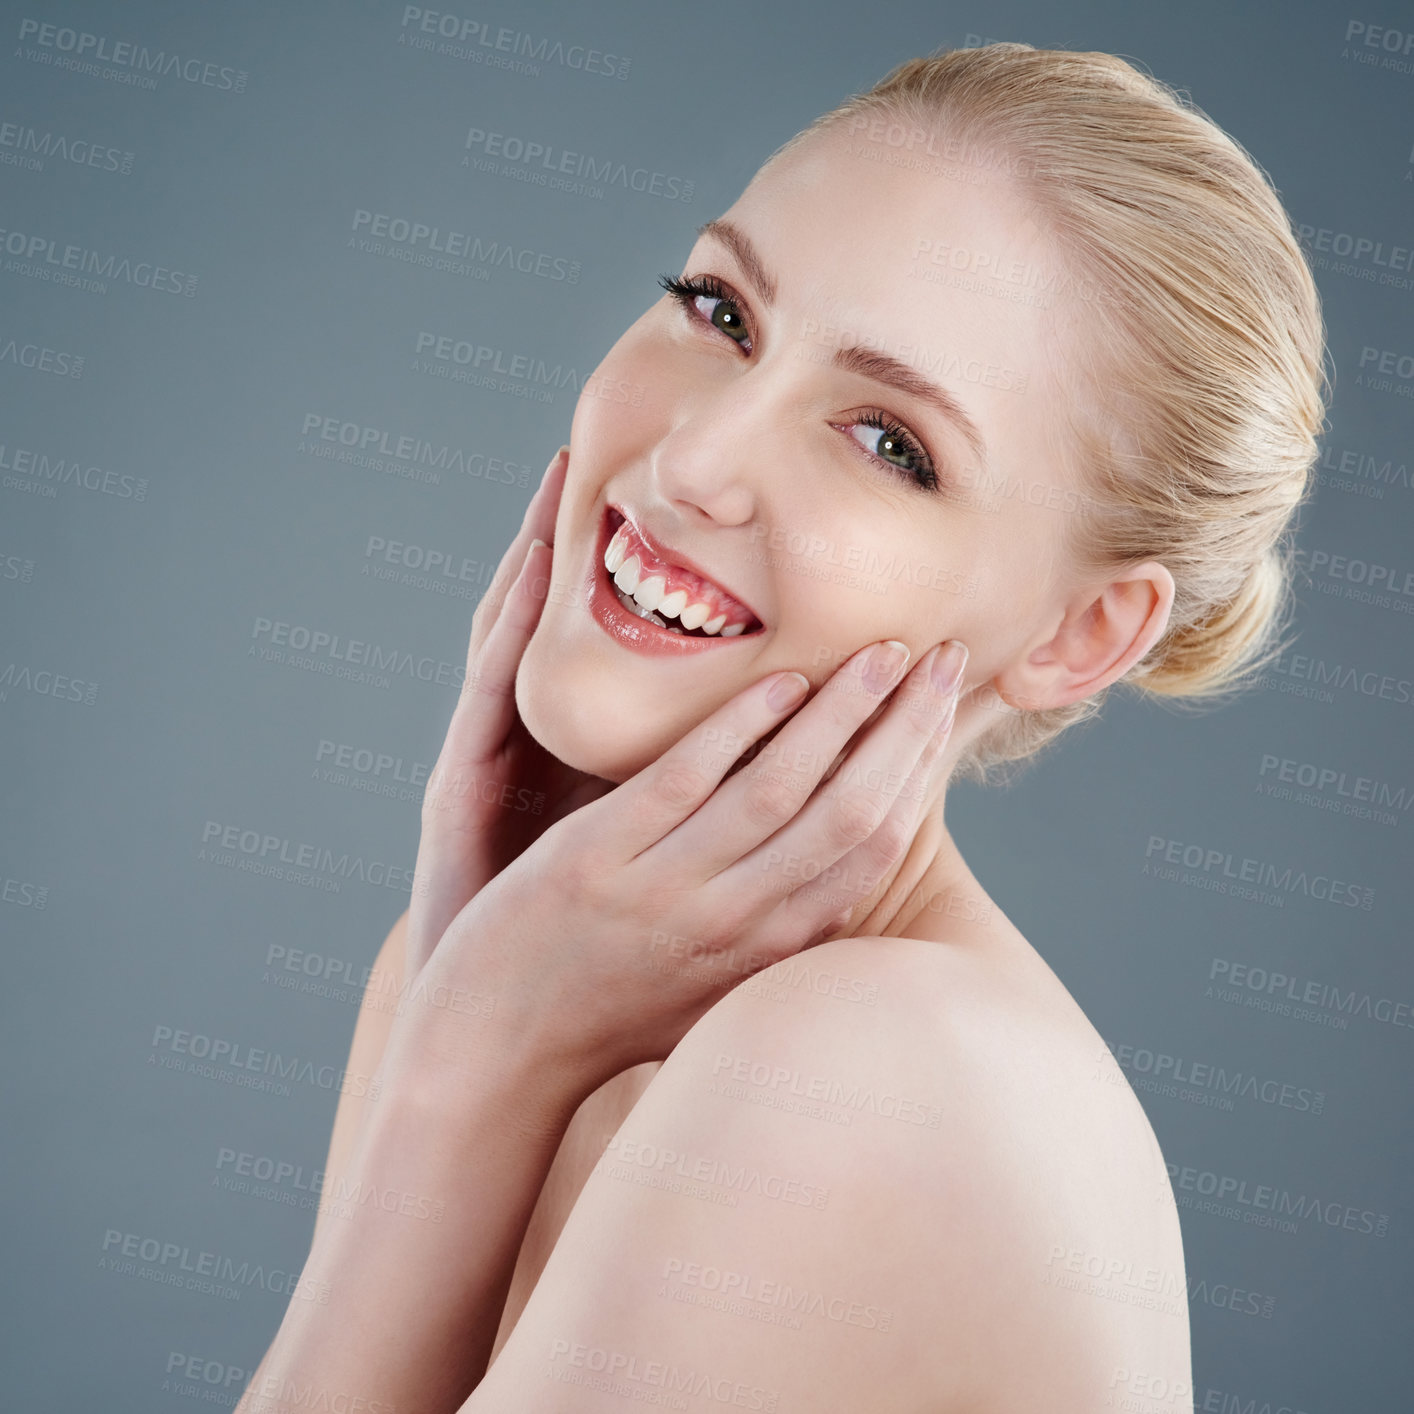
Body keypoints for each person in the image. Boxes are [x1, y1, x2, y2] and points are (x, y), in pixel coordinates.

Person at [237, 41, 1327, 1414]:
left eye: (886, 442)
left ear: (1077, 635)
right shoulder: (497, 964)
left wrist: (468, 1060)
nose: (693, 458)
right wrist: (465, 1021)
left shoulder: (871, 1066)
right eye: (719, 309)